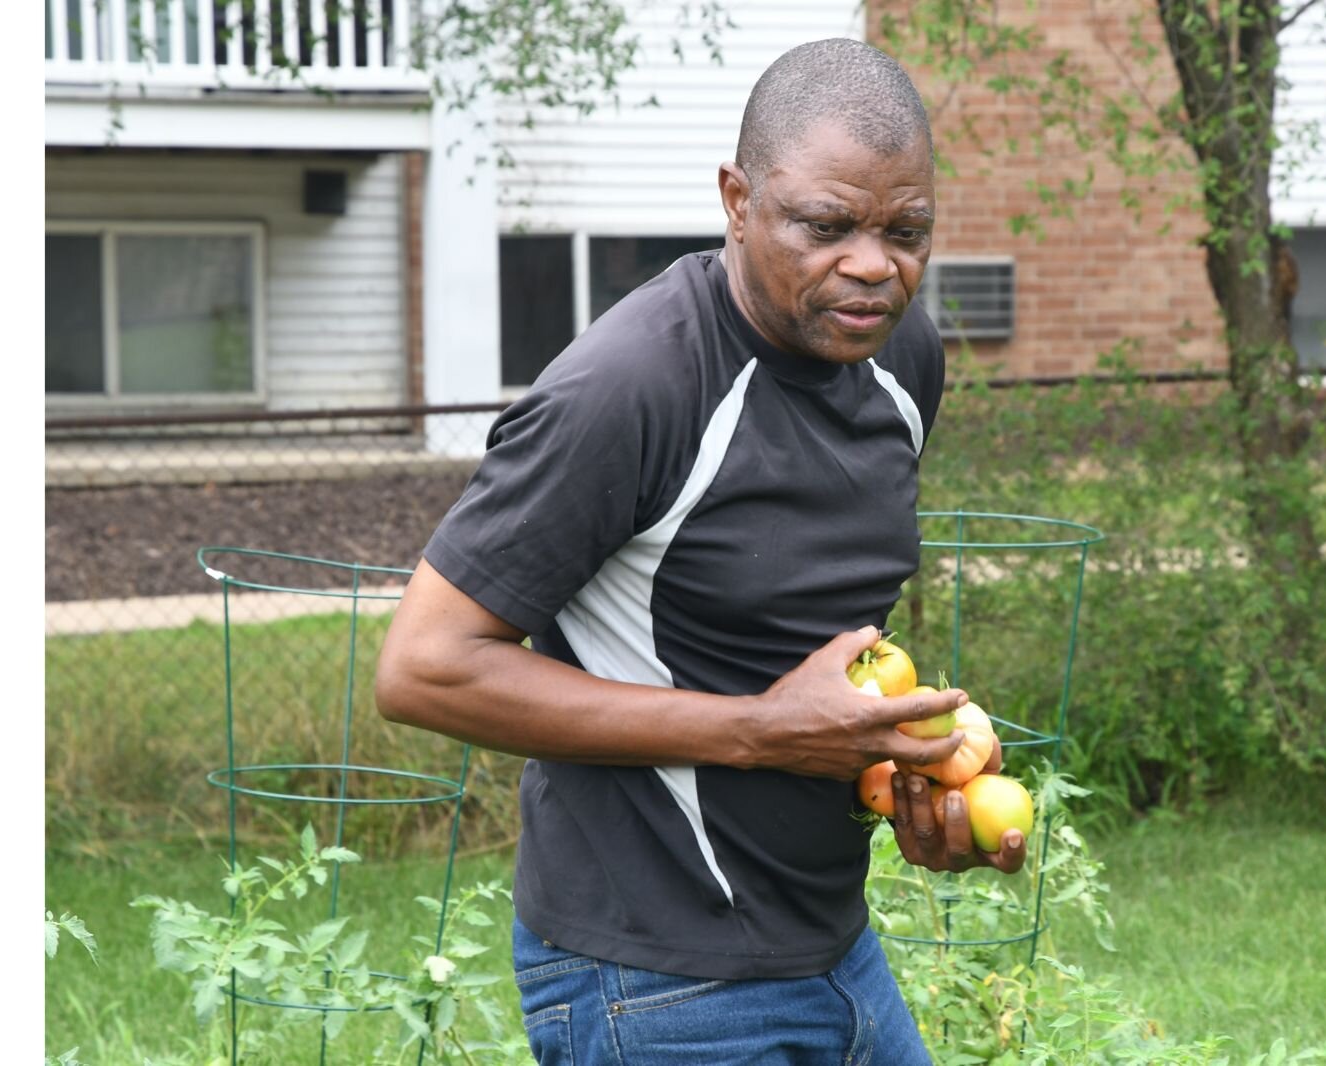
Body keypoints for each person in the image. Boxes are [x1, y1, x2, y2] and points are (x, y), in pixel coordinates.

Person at [375, 36, 1026, 1066]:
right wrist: (762, 733)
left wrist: (901, 788)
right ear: (736, 197)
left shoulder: (901, 357)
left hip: (833, 948)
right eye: (825, 225)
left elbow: (801, 645)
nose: (872, 264)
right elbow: (422, 668)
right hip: (652, 980)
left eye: (907, 231)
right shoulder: (628, 388)